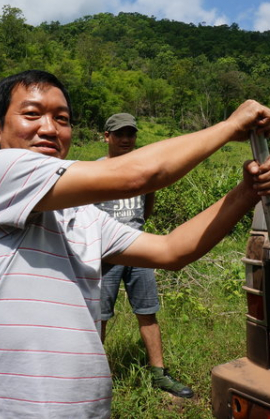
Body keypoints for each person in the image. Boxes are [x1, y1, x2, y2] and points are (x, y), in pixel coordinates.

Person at [0, 70, 270, 418]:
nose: (50, 128)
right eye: (32, 114)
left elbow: (172, 250)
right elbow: (137, 176)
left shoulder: (82, 216)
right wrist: (230, 126)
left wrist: (247, 192)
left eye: (62, 118)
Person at [96, 112, 193, 399]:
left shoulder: (142, 168)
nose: (126, 139)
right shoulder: (97, 169)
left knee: (147, 312)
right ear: (107, 137)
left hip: (140, 249)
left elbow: (147, 206)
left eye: (130, 134)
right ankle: (95, 377)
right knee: (98, 316)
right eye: (119, 134)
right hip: (106, 255)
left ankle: (159, 374)